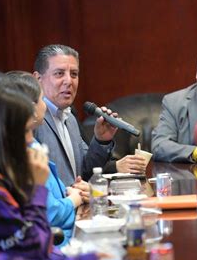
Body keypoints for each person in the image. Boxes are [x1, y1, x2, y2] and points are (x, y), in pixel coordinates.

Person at [0, 90, 114, 260]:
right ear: (2, 134)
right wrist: (36, 189)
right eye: (25, 131)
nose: (31, 140)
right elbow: (34, 249)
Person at [33, 44, 146, 186]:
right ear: (38, 79)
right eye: (59, 73)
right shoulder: (33, 120)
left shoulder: (70, 117)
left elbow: (86, 171)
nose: (69, 81)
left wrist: (101, 141)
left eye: (74, 74)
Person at [7, 71, 88, 246]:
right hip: (59, 245)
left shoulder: (32, 143)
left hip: (69, 231)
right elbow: (50, 214)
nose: (45, 105)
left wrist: (74, 190)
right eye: (42, 99)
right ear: (30, 108)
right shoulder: (23, 155)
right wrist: (74, 199)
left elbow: (52, 192)